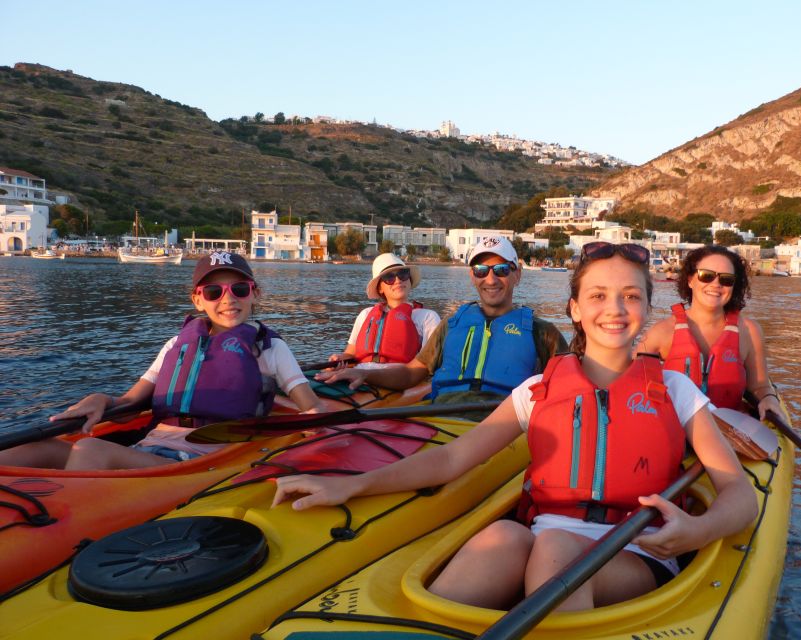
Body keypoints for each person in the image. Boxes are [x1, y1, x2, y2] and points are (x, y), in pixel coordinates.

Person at [273, 241, 758, 611]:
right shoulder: (535, 390)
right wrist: (352, 486)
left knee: (556, 546)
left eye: (630, 296)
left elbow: (738, 494)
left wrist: (697, 532)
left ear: (647, 309)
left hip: (635, 551)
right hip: (544, 540)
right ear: (575, 309)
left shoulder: (675, 391)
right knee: (501, 538)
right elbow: (450, 459)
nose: (614, 309)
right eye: (598, 295)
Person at [0, 252, 325, 471]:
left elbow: (309, 406)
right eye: (214, 292)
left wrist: (315, 427)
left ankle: (59, 534)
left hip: (206, 456)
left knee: (90, 450)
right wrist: (100, 398)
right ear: (198, 299)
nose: (228, 299)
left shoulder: (268, 348)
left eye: (239, 289)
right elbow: (129, 399)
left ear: (255, 294)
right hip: (151, 448)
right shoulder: (176, 344)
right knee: (28, 447)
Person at [316, 236, 568, 405]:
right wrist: (363, 373)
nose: (490, 280)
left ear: (517, 275)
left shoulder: (542, 333)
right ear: (472, 276)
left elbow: (568, 391)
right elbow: (411, 373)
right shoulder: (451, 325)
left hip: (499, 426)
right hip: (439, 417)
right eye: (481, 271)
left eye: (501, 269)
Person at [637, 245, 785, 421]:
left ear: (734, 286)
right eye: (706, 276)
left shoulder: (749, 331)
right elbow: (630, 379)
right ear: (690, 280)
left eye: (727, 279)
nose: (716, 284)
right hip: (677, 431)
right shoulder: (661, 332)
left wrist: (769, 398)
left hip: (729, 432)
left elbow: (760, 386)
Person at [328, 253, 440, 368]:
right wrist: (339, 359)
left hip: (399, 379)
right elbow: (350, 354)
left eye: (403, 274)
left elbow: (428, 363)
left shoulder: (427, 317)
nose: (397, 280)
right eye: (389, 277)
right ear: (380, 288)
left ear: (409, 280)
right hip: (360, 375)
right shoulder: (365, 314)